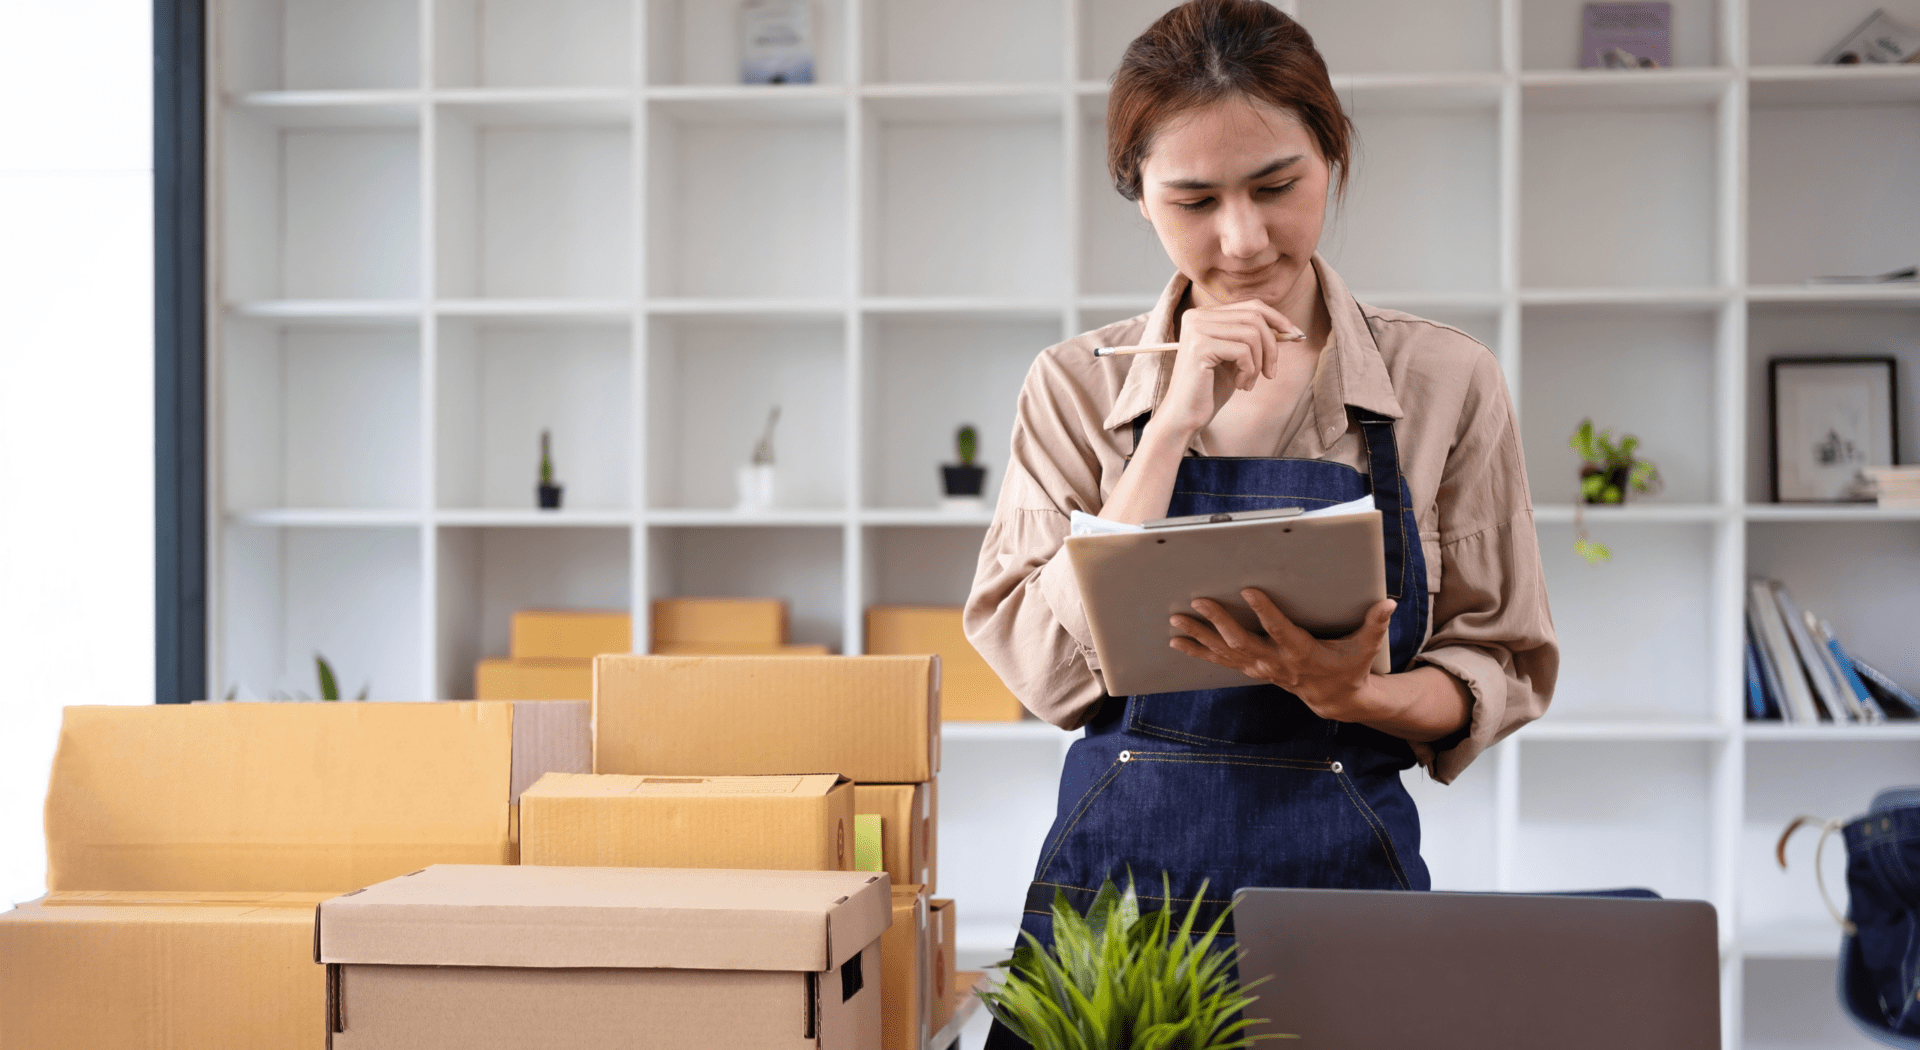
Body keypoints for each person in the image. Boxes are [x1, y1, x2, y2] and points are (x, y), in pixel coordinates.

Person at [962, 2, 1557, 1041]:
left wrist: (1365, 693)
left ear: (1332, 154)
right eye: (1194, 199)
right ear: (1138, 197)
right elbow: (1047, 672)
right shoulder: (1069, 388)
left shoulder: (1444, 381)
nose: (1242, 240)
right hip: (1118, 911)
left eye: (1278, 186)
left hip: (1345, 897)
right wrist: (1164, 433)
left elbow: (1501, 663)